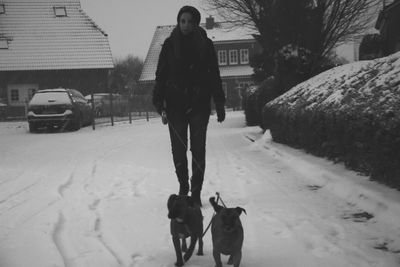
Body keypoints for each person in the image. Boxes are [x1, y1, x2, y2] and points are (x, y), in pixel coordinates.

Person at [152, 5, 226, 206]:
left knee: (198, 150)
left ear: (195, 23)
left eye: (190, 21)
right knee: (178, 150)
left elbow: (214, 75)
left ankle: (195, 192)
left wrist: (219, 102)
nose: (185, 25)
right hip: (175, 106)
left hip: (199, 105)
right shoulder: (169, 45)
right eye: (182, 21)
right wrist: (158, 100)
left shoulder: (206, 45)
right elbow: (161, 75)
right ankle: (183, 187)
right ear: (178, 22)